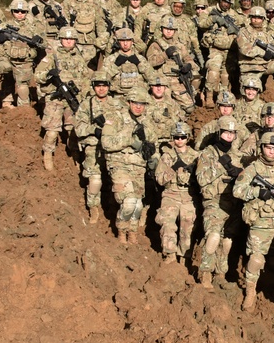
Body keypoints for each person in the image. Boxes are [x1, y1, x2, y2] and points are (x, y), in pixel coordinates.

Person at [232, 133, 274, 311]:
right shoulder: (252, 169)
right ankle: (250, 292)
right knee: (256, 258)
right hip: (261, 220)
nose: (271, 152)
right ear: (262, 148)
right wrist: (257, 192)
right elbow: (237, 190)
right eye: (268, 148)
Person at [101, 86, 160, 244]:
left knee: (138, 205)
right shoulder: (116, 118)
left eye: (142, 104)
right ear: (128, 102)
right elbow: (106, 143)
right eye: (135, 103)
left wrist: (154, 159)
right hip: (120, 164)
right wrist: (129, 140)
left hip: (139, 168)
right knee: (128, 203)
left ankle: (132, 232)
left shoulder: (147, 123)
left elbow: (154, 146)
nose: (138, 106)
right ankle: (121, 230)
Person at [195, 115, 244, 287]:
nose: (229, 136)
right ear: (219, 133)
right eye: (226, 132)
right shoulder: (208, 154)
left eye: (232, 133)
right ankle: (205, 272)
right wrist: (221, 167)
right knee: (213, 236)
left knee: (227, 241)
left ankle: (220, 273)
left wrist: (239, 173)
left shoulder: (237, 154)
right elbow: (201, 179)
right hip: (214, 201)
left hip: (233, 203)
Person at [34, 27, 90, 170]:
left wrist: (83, 97)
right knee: (52, 131)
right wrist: (49, 74)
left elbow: (85, 79)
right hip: (56, 99)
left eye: (71, 39)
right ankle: (47, 156)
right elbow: (38, 76)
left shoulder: (79, 57)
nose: (68, 42)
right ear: (60, 40)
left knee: (74, 130)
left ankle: (76, 156)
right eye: (65, 39)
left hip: (72, 98)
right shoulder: (53, 56)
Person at [0, 0, 44, 108]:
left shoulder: (34, 26)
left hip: (24, 62)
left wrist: (39, 40)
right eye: (17, 11)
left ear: (27, 12)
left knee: (22, 89)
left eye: (23, 12)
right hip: (6, 59)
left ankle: (24, 111)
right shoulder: (4, 25)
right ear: (12, 12)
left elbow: (44, 44)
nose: (20, 14)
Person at [74, 69, 121, 224]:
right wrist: (93, 130)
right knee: (95, 181)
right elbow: (78, 128)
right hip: (93, 147)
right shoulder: (86, 104)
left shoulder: (117, 104)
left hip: (114, 148)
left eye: (104, 85)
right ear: (93, 87)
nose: (101, 88)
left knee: (117, 180)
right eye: (98, 85)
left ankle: (114, 210)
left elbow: (125, 125)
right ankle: (93, 208)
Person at [153, 122, 200, 262]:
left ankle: (184, 257)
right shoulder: (167, 156)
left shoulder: (196, 156)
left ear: (188, 138)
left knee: (188, 228)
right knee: (167, 224)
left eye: (183, 137)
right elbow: (160, 179)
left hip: (188, 196)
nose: (179, 140)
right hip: (170, 195)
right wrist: (172, 168)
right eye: (176, 137)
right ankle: (170, 254)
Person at [236, 5, 274, 103]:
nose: (256, 20)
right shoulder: (243, 32)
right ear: (250, 18)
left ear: (263, 19)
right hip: (250, 67)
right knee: (248, 95)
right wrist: (263, 53)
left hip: (265, 65)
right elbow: (244, 50)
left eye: (259, 18)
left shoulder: (265, 33)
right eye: (254, 17)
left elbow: (273, 47)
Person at [200, 0, 240, 106]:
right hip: (215, 49)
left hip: (230, 51)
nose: (226, 4)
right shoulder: (209, 11)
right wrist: (213, 19)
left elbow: (241, 27)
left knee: (226, 76)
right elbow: (201, 24)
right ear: (219, 0)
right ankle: (209, 97)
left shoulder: (234, 14)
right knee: (213, 72)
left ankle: (223, 98)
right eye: (224, 1)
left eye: (228, 3)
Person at [61, 0, 106, 65]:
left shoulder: (96, 2)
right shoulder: (68, 2)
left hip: (91, 44)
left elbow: (100, 23)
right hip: (73, 44)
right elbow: (65, 24)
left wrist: (101, 39)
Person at [104, 28, 157, 97]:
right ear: (118, 42)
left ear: (132, 42)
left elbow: (152, 78)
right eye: (122, 41)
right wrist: (115, 66)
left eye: (128, 40)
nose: (125, 44)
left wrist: (139, 64)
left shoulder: (140, 59)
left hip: (138, 97)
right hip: (118, 97)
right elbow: (103, 79)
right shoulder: (111, 59)